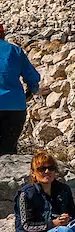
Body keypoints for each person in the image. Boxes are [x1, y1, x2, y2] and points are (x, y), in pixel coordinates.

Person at [0, 23, 40, 156]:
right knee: (9, 150)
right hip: (15, 107)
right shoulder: (15, 51)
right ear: (3, 33)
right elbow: (33, 77)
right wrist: (29, 92)